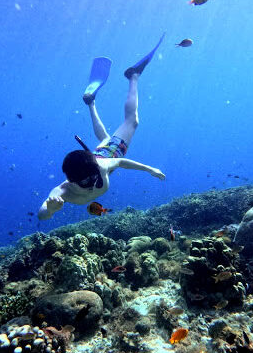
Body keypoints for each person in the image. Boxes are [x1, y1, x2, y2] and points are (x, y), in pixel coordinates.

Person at [38, 34, 166, 220]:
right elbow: (42, 214)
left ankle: (133, 77)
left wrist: (149, 169)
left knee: (132, 122)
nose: (91, 184)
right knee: (105, 138)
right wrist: (50, 209)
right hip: (99, 154)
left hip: (108, 154)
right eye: (85, 181)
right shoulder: (62, 191)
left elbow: (120, 161)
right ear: (71, 181)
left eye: (92, 177)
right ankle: (91, 103)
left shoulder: (101, 166)